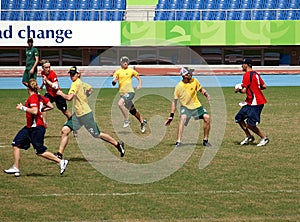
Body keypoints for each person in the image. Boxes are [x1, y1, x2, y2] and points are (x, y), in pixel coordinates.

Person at [55, 66, 125, 159]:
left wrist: (60, 93)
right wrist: (84, 96)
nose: (72, 76)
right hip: (78, 115)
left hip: (85, 115)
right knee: (65, 130)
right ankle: (59, 154)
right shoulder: (82, 83)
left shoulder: (75, 84)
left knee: (97, 134)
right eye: (70, 74)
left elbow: (69, 98)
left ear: (78, 74)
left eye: (73, 74)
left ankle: (117, 144)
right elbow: (90, 89)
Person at [4, 79, 69, 177]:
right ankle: (16, 167)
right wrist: (40, 109)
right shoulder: (40, 97)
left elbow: (34, 111)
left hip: (36, 128)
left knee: (40, 151)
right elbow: (51, 106)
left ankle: (60, 161)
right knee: (16, 143)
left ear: (28, 88)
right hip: (29, 128)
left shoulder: (33, 98)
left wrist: (22, 108)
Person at [165, 67, 212, 147]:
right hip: (186, 107)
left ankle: (205, 140)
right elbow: (175, 101)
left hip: (197, 106)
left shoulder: (195, 80)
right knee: (182, 118)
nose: (191, 74)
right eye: (189, 73)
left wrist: (206, 94)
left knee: (207, 117)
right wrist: (171, 116)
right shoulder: (179, 87)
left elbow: (200, 89)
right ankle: (178, 141)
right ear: (184, 75)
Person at [234, 58, 269, 147]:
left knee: (250, 124)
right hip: (250, 102)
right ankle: (249, 136)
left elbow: (244, 91)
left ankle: (264, 138)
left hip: (255, 103)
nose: (241, 65)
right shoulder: (255, 74)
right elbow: (264, 86)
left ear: (247, 65)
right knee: (239, 118)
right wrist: (255, 89)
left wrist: (238, 90)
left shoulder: (247, 75)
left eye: (243, 64)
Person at [112, 56, 147, 133]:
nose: (125, 63)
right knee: (132, 111)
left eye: (126, 61)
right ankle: (142, 122)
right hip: (122, 94)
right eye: (124, 61)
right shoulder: (117, 72)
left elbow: (139, 78)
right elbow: (114, 81)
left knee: (120, 104)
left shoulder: (131, 71)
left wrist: (139, 84)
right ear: (121, 63)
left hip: (130, 92)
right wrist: (114, 81)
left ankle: (126, 120)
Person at [39, 59, 72, 123]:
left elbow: (55, 86)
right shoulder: (42, 73)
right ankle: (43, 123)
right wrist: (42, 86)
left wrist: (47, 80)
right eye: (46, 67)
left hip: (58, 95)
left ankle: (72, 122)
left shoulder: (52, 74)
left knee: (65, 111)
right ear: (42, 68)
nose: (48, 69)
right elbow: (44, 80)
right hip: (49, 94)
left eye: (49, 67)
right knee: (42, 106)